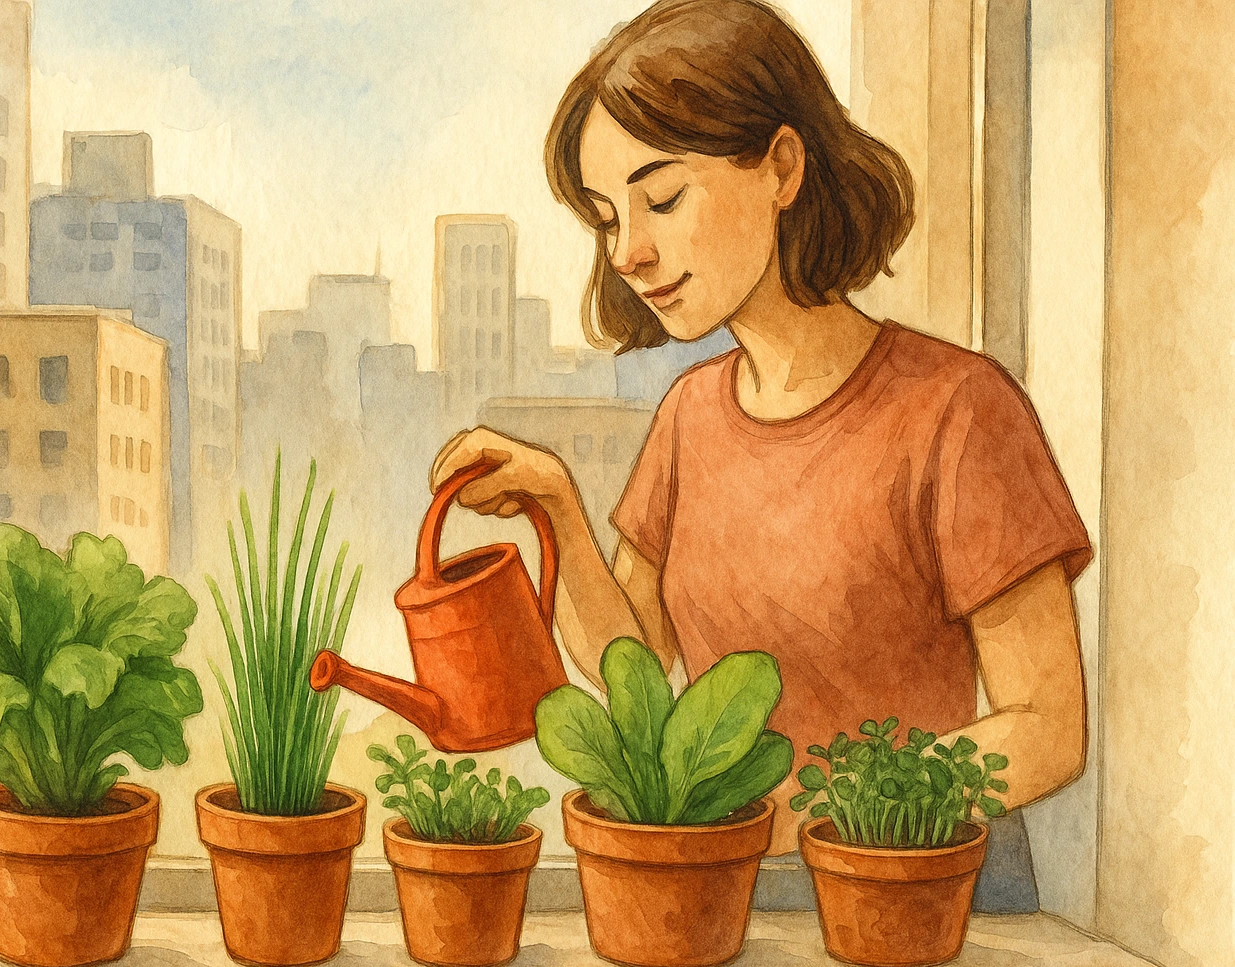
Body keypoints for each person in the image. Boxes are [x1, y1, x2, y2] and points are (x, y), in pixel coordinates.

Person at [430, 0, 1093, 874]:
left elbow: (1050, 731)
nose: (627, 252)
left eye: (660, 198)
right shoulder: (689, 415)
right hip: (731, 886)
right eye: (606, 218)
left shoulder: (958, 408)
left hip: (921, 892)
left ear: (782, 167)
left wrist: (819, 808)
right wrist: (554, 502)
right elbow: (635, 673)